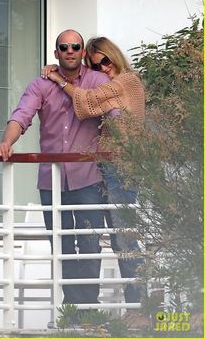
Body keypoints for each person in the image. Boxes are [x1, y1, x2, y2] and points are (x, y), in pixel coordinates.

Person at [0, 30, 120, 305]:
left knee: (88, 243)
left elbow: (116, 114)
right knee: (60, 245)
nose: (70, 50)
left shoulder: (97, 80)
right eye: (64, 47)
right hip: (51, 181)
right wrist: (6, 141)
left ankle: (88, 306)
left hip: (88, 178)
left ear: (83, 52)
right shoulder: (40, 84)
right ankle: (72, 305)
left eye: (75, 46)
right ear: (56, 53)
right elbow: (22, 115)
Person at [41, 36, 145, 304]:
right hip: (107, 168)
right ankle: (133, 303)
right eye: (95, 66)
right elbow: (88, 104)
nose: (102, 69)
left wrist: (60, 80)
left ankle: (139, 304)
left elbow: (85, 103)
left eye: (105, 61)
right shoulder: (110, 88)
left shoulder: (126, 82)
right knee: (116, 237)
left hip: (122, 168)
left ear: (115, 57)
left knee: (124, 238)